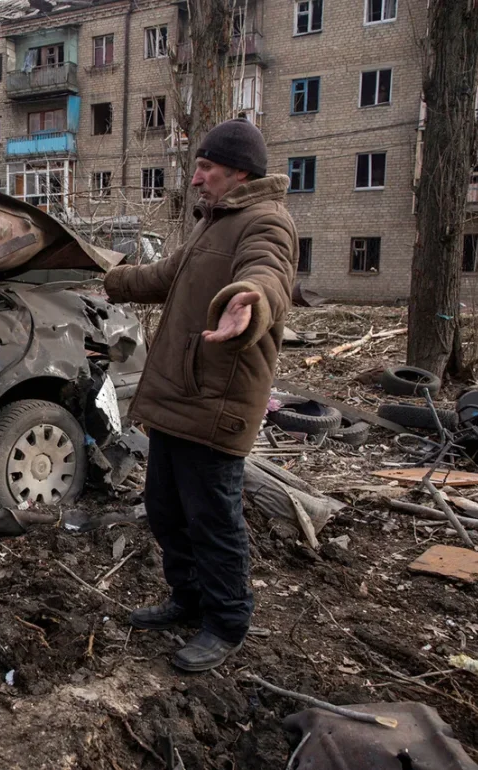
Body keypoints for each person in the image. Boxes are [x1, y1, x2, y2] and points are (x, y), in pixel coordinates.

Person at [103, 117, 297, 672]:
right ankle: (187, 601)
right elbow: (165, 275)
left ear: (238, 172)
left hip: (216, 401)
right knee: (166, 510)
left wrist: (248, 300)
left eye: (206, 167)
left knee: (213, 519)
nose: (196, 179)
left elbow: (270, 275)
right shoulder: (215, 224)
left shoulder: (266, 222)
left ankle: (227, 622)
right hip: (181, 396)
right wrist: (108, 275)